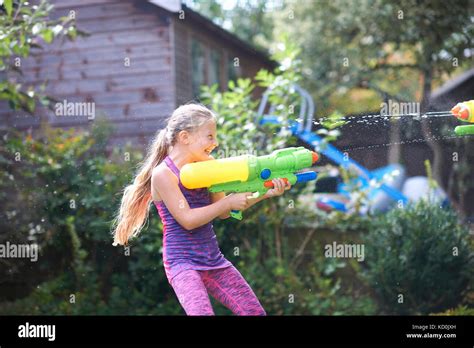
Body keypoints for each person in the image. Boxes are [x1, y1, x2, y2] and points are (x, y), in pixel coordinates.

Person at [112, 103, 290, 315]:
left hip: (213, 259)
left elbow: (224, 211)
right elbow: (187, 219)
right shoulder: (164, 174)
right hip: (182, 263)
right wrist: (227, 203)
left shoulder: (208, 166)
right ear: (185, 137)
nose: (215, 143)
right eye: (210, 136)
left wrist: (266, 192)